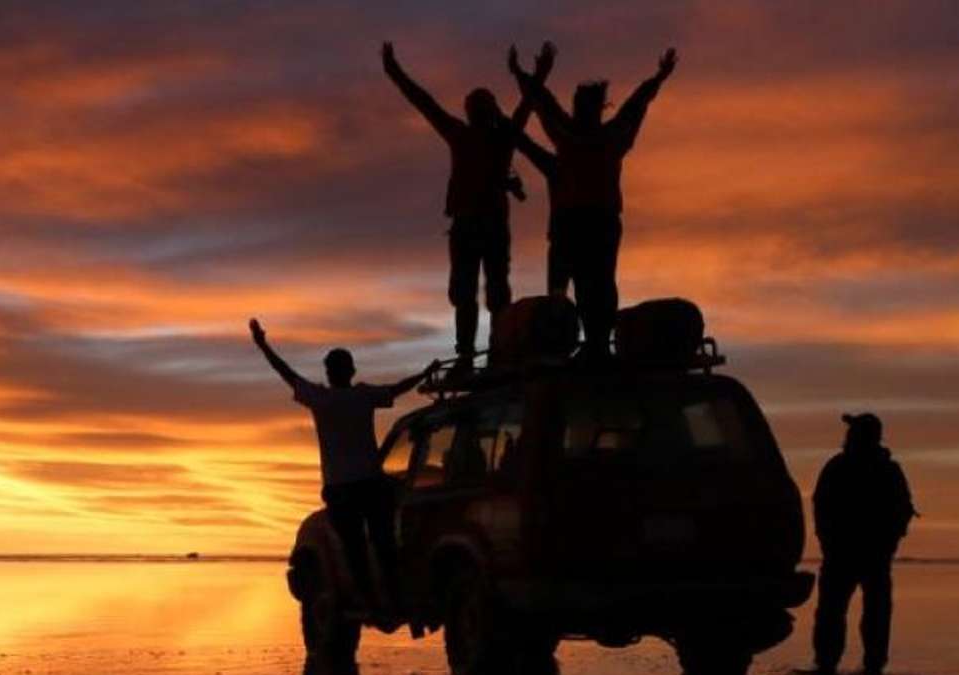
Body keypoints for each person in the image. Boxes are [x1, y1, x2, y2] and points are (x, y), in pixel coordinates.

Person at [381, 41, 555, 367]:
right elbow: (425, 103)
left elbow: (525, 106)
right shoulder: (473, 135)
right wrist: (395, 72)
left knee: (491, 294)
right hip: (473, 223)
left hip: (482, 224)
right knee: (473, 293)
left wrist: (541, 73)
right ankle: (470, 354)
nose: (477, 112)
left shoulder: (486, 136)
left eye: (480, 106)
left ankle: (490, 352)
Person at [251, 318, 436, 617]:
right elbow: (397, 389)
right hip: (368, 486)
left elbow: (286, 373)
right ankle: (389, 599)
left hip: (341, 489)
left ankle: (373, 602)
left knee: (356, 550)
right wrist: (424, 374)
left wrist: (262, 346)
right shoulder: (361, 396)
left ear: (330, 372)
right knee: (383, 544)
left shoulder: (321, 399)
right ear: (350, 371)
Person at [510, 45, 678, 356]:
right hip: (581, 222)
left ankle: (596, 343)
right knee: (581, 284)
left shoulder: (589, 135)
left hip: (589, 221)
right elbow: (545, 103)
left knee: (594, 285)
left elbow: (634, 105)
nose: (578, 111)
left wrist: (659, 77)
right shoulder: (594, 135)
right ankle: (582, 342)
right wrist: (524, 75)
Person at [812, 413, 916, 675]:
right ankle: (833, 664)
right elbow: (821, 506)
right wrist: (828, 541)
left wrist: (890, 541)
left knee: (860, 613)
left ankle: (857, 665)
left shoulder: (874, 469)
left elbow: (902, 510)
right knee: (840, 613)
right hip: (847, 553)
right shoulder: (846, 467)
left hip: (864, 555)